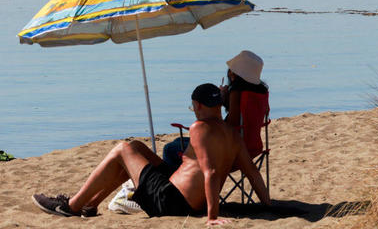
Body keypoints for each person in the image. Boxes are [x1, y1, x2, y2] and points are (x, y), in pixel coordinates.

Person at [32, 83, 270, 226]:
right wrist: (269, 205)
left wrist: (212, 217)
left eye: (192, 107)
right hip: (181, 196)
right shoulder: (232, 134)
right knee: (137, 149)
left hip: (172, 201)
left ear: (197, 105)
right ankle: (90, 206)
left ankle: (71, 206)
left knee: (123, 149)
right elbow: (252, 173)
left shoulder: (200, 128)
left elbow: (211, 172)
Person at [221, 50, 268, 129]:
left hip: (237, 138)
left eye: (230, 70)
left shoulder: (236, 91)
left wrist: (222, 98)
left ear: (233, 73)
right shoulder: (262, 90)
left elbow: (232, 123)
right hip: (254, 137)